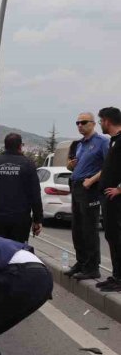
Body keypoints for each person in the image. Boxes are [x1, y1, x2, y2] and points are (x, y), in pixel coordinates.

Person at [65, 112, 108, 280]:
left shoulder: (102, 142)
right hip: (76, 187)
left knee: (89, 229)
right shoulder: (80, 144)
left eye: (83, 122)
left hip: (90, 189)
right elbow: (73, 167)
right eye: (77, 123)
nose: (80, 125)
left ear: (93, 124)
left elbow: (109, 166)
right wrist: (70, 166)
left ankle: (92, 267)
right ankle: (81, 262)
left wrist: (92, 180)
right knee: (77, 228)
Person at [0, 133, 43, 242]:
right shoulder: (28, 164)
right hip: (20, 220)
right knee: (17, 253)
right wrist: (37, 220)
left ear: (5, 146)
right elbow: (35, 194)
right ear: (20, 146)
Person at [98, 107, 121, 291]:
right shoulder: (114, 141)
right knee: (112, 236)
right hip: (108, 199)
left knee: (118, 237)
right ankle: (116, 276)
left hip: (117, 200)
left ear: (107, 120)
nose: (100, 124)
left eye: (100, 121)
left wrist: (119, 189)